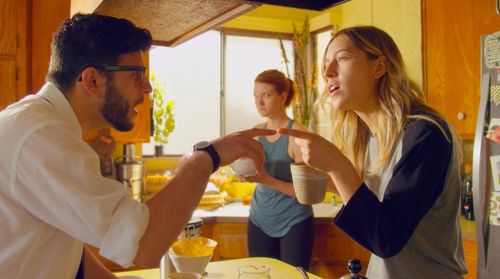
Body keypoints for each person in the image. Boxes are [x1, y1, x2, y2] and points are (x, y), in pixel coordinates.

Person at [0, 13, 274, 279]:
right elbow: (143, 245)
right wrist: (205, 158)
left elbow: (62, 242)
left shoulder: (38, 126)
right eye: (136, 75)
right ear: (92, 80)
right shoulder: (41, 136)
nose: (147, 88)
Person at [279, 26, 467, 278]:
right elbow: (378, 206)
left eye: (342, 58)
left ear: (379, 67)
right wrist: (328, 179)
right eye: (326, 64)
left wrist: (337, 164)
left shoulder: (426, 133)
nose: (327, 72)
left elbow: (386, 237)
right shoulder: (369, 136)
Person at [243, 69, 313, 269]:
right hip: (259, 219)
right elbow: (251, 169)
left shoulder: (297, 135)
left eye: (266, 95)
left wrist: (265, 180)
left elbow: (305, 193)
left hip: (294, 222)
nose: (259, 103)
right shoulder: (256, 132)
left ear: (282, 96)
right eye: (256, 96)